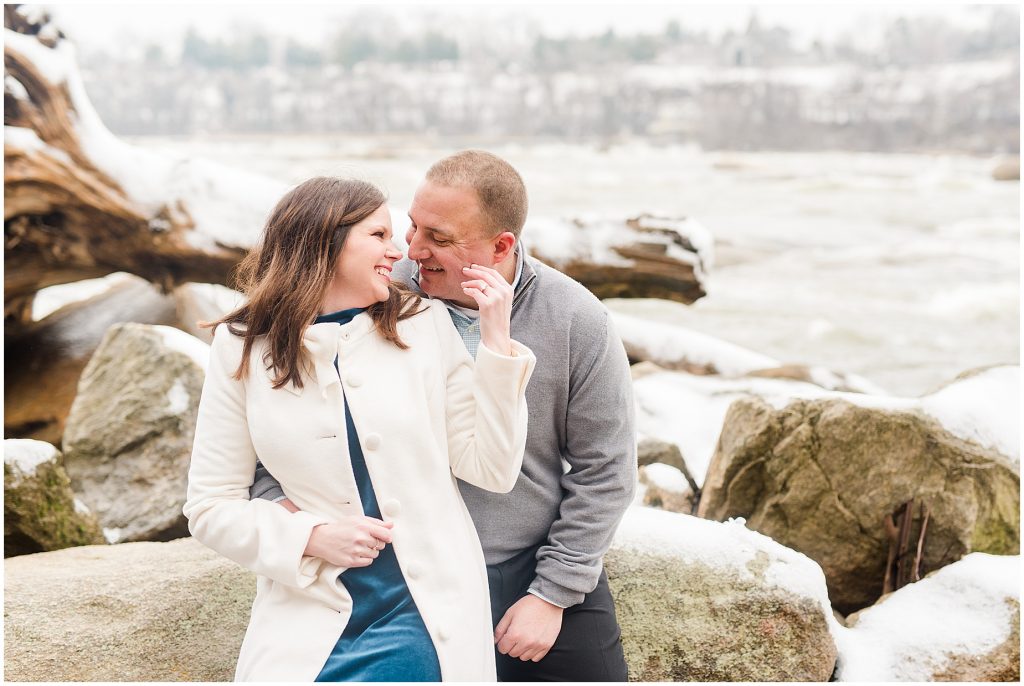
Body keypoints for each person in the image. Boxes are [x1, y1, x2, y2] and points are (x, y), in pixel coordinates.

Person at [254, 151, 636, 681]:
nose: (411, 249)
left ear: (501, 246)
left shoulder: (575, 318)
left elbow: (606, 471)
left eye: (438, 237)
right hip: (398, 572)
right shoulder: (376, 289)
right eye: (412, 226)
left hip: (525, 564)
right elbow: (274, 425)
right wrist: (292, 517)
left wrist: (553, 594)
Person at [184, 177, 536, 682]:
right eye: (379, 236)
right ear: (324, 241)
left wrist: (496, 342)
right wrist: (310, 536)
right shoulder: (240, 346)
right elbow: (210, 506)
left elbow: (494, 469)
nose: (398, 254)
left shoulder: (423, 323)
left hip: (424, 615)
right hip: (306, 614)